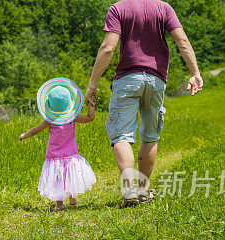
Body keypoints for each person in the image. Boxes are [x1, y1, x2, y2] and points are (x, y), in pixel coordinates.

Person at [84, 0, 203, 208]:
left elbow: (108, 48)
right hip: (156, 80)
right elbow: (182, 40)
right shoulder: (164, 8)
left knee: (122, 136)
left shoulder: (118, 8)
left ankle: (130, 191)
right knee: (150, 136)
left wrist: (92, 84)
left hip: (127, 80)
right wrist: (195, 73)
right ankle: (142, 190)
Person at [20, 78, 97, 211]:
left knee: (57, 179)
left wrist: (24, 135)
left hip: (54, 155)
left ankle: (59, 205)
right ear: (69, 103)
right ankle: (72, 198)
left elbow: (35, 130)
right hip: (70, 153)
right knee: (71, 175)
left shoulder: (50, 120)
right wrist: (91, 105)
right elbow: (90, 118)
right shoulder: (73, 117)